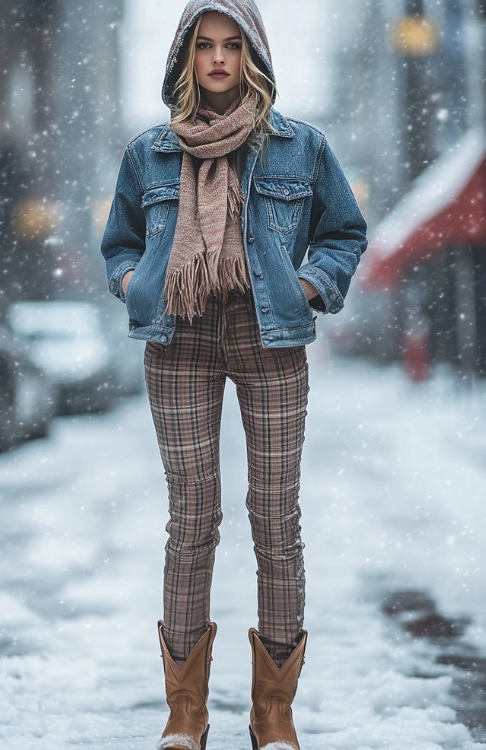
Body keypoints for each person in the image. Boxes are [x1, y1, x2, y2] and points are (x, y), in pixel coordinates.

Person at [101, 1, 367, 748]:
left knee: (275, 524)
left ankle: (273, 713)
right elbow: (119, 242)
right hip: (179, 338)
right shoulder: (149, 152)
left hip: (270, 338)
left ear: (253, 54)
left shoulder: (300, 147)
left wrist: (310, 286)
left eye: (231, 45)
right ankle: (186, 713)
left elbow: (344, 233)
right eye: (204, 46)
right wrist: (133, 284)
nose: (218, 59)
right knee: (192, 522)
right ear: (185, 57)